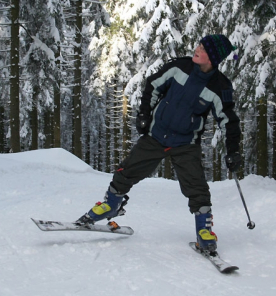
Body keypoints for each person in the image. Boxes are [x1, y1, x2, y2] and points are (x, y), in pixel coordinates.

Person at [76, 34, 242, 252]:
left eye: (202, 48)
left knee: (197, 186)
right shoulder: (179, 67)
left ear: (212, 57)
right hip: (156, 136)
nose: (196, 49)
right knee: (127, 170)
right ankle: (110, 205)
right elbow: (153, 86)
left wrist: (233, 151)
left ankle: (204, 230)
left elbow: (228, 121)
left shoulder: (219, 87)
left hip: (185, 144)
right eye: (198, 45)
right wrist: (144, 114)